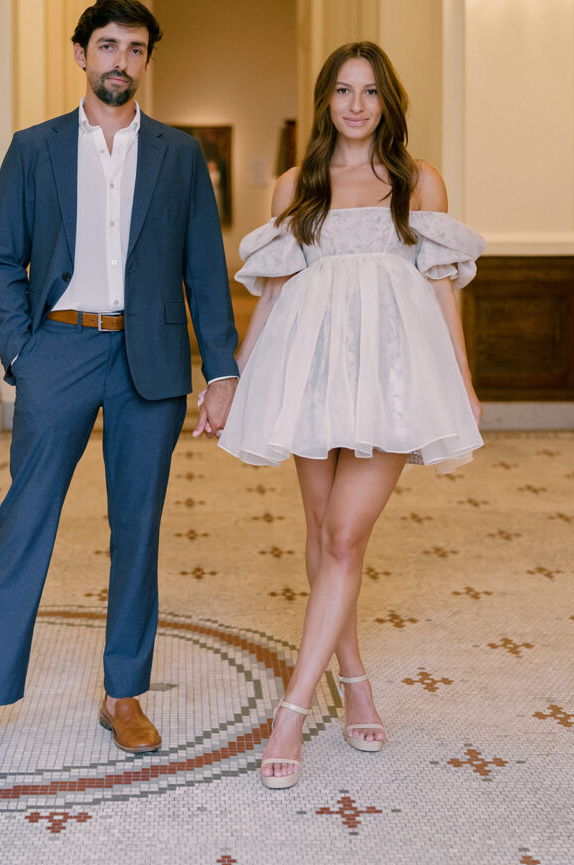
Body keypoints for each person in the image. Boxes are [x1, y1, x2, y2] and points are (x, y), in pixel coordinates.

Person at [0, 0, 238, 770]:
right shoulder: (33, 149)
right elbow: (4, 258)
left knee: (136, 531)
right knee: (25, 521)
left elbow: (205, 270)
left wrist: (224, 370)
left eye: (135, 50)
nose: (120, 62)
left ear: (145, 62)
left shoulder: (178, 153)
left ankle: (123, 696)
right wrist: (23, 353)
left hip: (153, 363)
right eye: (107, 47)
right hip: (59, 352)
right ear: (80, 55)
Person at [216, 41, 485, 789]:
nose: (357, 105)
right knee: (321, 534)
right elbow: (272, 293)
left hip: (393, 380)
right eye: (343, 91)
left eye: (369, 91)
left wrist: (461, 379)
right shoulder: (294, 186)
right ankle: (355, 677)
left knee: (343, 533)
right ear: (326, 101)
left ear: (387, 101)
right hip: (311, 375)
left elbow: (440, 288)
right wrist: (235, 378)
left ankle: (293, 712)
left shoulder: (416, 181)